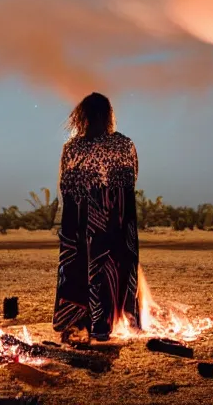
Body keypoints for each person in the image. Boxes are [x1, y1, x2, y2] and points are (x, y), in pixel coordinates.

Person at [53, 92, 141, 343]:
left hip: (81, 221)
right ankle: (112, 321)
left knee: (80, 266)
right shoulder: (125, 144)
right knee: (115, 266)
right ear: (108, 115)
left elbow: (65, 186)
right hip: (117, 219)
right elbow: (132, 178)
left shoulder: (72, 148)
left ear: (82, 117)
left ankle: (81, 322)